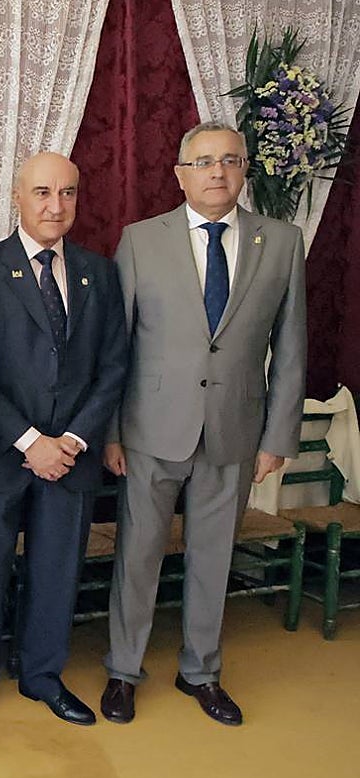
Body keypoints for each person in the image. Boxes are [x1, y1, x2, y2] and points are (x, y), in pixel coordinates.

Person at [101, 121, 306, 726]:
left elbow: (292, 347)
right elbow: (118, 346)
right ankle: (122, 670)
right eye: (205, 161)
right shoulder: (141, 240)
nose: (219, 172)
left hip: (235, 431)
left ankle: (201, 672)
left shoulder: (283, 241)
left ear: (245, 170)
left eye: (231, 160)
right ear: (181, 173)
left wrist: (278, 437)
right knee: (138, 555)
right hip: (149, 429)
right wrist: (112, 430)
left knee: (214, 557)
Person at [0, 152, 127, 731]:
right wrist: (29, 441)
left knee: (57, 572)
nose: (56, 205)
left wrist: (71, 439)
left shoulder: (99, 273)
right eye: (43, 192)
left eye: (68, 193)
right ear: (17, 199)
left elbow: (114, 366)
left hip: (71, 456)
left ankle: (43, 676)